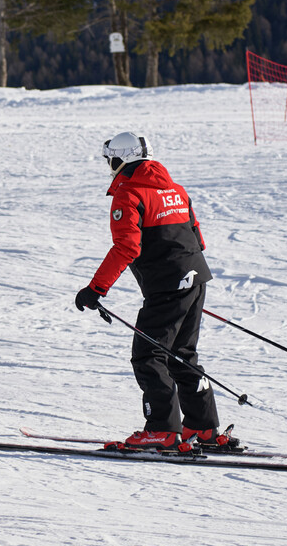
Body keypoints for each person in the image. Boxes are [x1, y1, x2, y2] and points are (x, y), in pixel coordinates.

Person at [73, 132, 234, 452]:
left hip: (168, 285)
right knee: (182, 354)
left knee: (148, 355)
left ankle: (162, 429)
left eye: (110, 161)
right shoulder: (176, 189)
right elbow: (197, 239)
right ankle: (201, 427)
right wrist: (185, 285)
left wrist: (95, 289)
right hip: (195, 278)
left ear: (121, 160)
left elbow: (127, 247)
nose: (110, 167)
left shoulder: (129, 194)